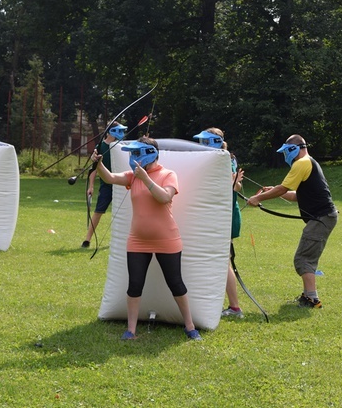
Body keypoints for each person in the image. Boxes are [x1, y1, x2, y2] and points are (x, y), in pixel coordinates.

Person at [90, 136, 202, 341]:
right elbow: (110, 178)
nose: (133, 158)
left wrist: (146, 179)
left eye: (136, 153)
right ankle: (131, 330)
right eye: (131, 154)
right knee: (134, 284)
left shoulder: (168, 174)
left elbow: (165, 197)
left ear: (151, 154)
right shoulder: (133, 176)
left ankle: (190, 325)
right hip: (137, 240)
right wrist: (98, 164)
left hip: (167, 240)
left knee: (176, 283)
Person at [246, 134, 338, 308]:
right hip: (323, 217)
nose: (284, 156)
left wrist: (259, 198)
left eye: (285, 152)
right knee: (305, 257)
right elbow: (296, 196)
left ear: (292, 149)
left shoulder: (301, 163)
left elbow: (283, 189)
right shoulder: (308, 163)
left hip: (321, 218)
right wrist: (273, 191)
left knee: (303, 258)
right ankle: (308, 296)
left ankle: (312, 299)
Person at [193, 128, 246, 319]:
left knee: (223, 262)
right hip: (214, 216)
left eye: (204, 141)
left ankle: (234, 308)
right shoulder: (214, 159)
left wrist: (234, 182)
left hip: (225, 217)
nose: (200, 145)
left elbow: (235, 186)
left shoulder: (225, 158)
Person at [82, 122, 127, 248]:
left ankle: (124, 240)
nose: (121, 134)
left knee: (125, 212)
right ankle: (87, 239)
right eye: (119, 131)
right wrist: (91, 186)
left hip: (122, 183)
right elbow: (94, 168)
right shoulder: (100, 146)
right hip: (106, 184)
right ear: (110, 132)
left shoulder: (122, 145)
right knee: (98, 211)